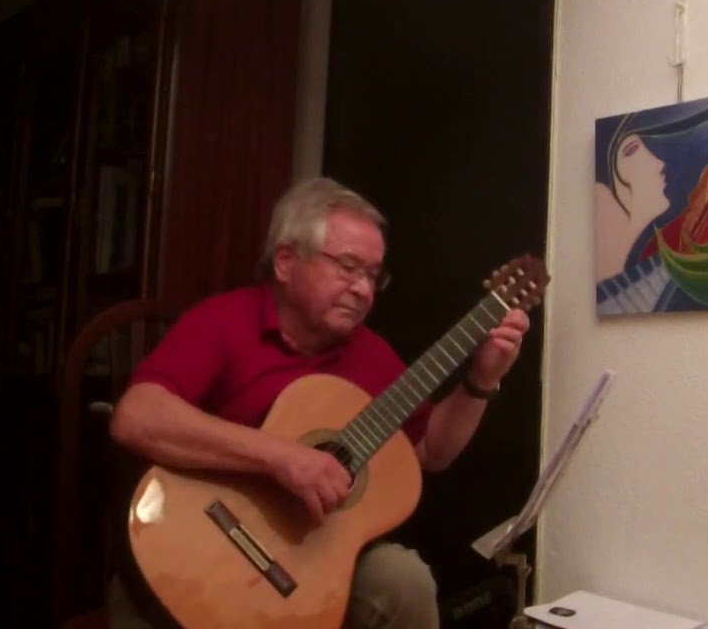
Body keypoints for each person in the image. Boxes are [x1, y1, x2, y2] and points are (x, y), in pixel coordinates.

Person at [107, 176, 531, 629]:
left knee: (404, 581)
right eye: (348, 267)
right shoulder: (223, 321)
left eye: (373, 275)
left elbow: (429, 452)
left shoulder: (372, 355)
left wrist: (481, 380)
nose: (363, 289)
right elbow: (136, 417)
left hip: (304, 565)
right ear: (286, 261)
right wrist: (283, 459)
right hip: (195, 549)